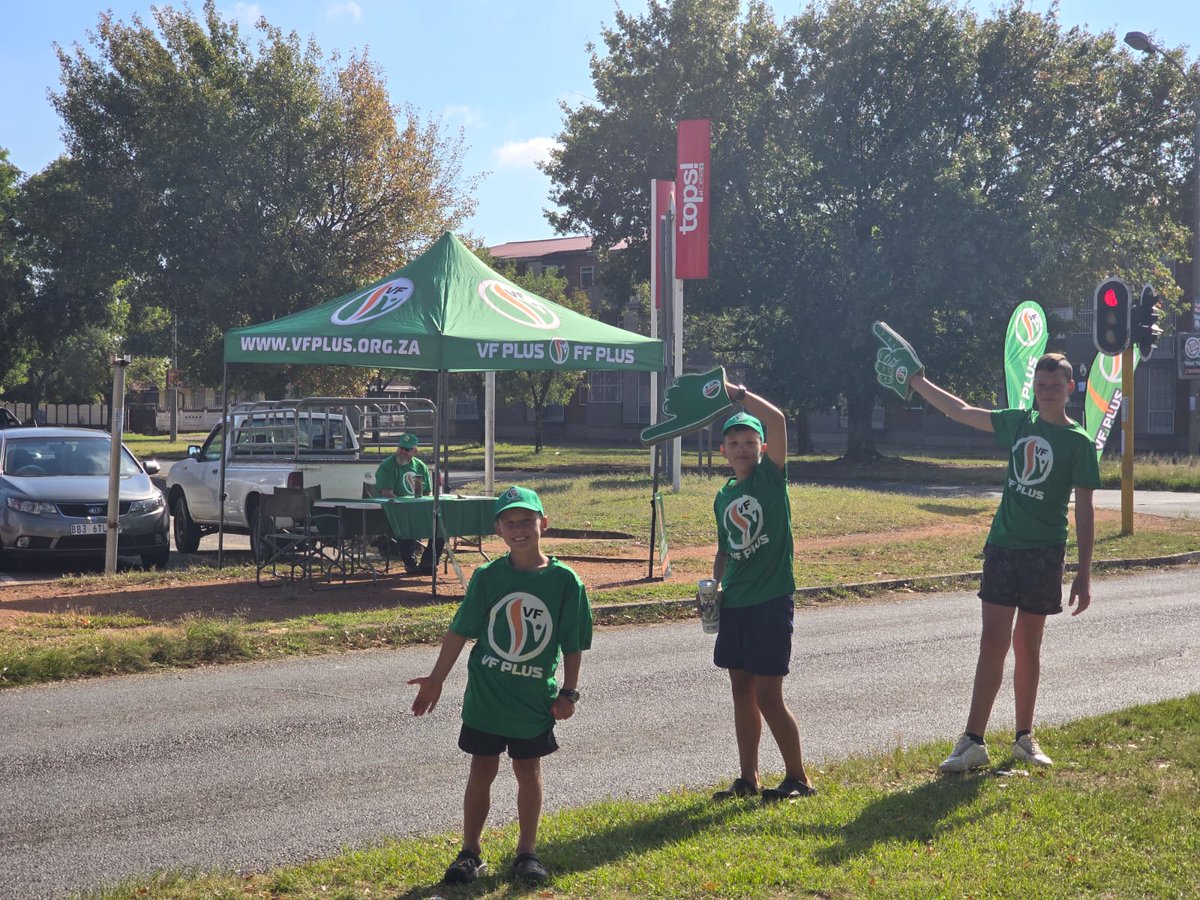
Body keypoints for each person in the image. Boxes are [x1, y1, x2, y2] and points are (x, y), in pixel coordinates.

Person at [876, 326, 1099, 772]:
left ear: (1070, 388)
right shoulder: (1019, 422)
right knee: (992, 643)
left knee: (1028, 648)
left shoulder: (1078, 442)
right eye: (1041, 385)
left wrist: (1084, 571)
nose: (1047, 392)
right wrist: (916, 380)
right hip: (1002, 549)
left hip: (1044, 553)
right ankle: (973, 741)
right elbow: (960, 410)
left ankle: (1023, 739)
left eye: (1055, 386)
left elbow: (1086, 510)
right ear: (1034, 388)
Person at [409, 485, 592, 886]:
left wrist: (569, 692)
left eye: (527, 520)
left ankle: (527, 853)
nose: (519, 529)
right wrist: (436, 679)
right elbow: (460, 630)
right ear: (498, 529)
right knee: (482, 768)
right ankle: (470, 852)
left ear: (543, 523)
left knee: (528, 770)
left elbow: (573, 642)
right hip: (487, 698)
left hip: (532, 702)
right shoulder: (489, 576)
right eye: (510, 522)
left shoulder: (565, 581)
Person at [708, 381, 816, 803]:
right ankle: (748, 779)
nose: (741, 448)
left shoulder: (771, 479)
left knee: (769, 696)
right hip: (735, 602)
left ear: (763, 448)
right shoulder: (725, 495)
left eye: (750, 441)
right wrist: (714, 584)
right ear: (723, 451)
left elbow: (779, 419)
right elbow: (724, 548)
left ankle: (798, 778)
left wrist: (737, 393)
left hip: (771, 601)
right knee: (741, 689)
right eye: (733, 442)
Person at [373, 432, 443, 574]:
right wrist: (406, 506)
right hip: (395, 510)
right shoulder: (387, 466)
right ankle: (410, 563)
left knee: (440, 526)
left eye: (407, 449)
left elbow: (427, 492)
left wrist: (420, 506)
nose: (402, 452)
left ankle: (428, 562)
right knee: (404, 523)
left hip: (417, 509)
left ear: (414, 451)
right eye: (401, 448)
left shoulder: (420, 466)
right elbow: (387, 493)